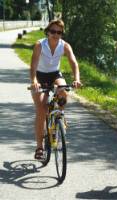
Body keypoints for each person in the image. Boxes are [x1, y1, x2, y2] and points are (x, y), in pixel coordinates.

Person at [30, 19, 81, 160]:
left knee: (63, 90)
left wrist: (77, 79)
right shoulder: (40, 45)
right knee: (41, 109)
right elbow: (33, 66)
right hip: (39, 76)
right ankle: (39, 147)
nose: (55, 34)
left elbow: (74, 63)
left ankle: (59, 116)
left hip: (54, 74)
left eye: (59, 32)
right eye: (53, 31)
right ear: (48, 31)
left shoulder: (64, 46)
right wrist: (34, 81)